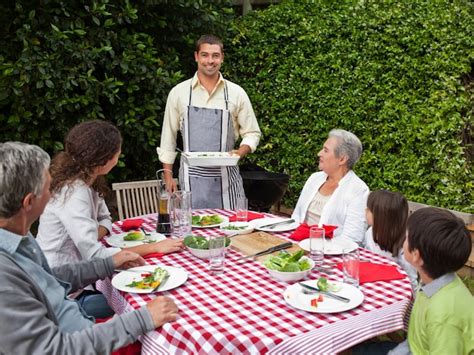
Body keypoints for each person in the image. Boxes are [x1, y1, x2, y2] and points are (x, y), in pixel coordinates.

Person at [0, 142, 178, 353]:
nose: (54, 193)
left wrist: (107, 264)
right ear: (29, 202)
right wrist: (141, 319)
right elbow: (53, 350)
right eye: (49, 188)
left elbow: (51, 278)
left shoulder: (17, 236)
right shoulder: (4, 276)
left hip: (82, 325)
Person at [36, 120, 183, 318]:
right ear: (104, 159)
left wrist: (91, 233)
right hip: (60, 296)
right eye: (117, 150)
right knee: (155, 303)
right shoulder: (74, 191)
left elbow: (105, 219)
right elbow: (96, 255)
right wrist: (155, 247)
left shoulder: (89, 180)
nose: (119, 154)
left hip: (80, 283)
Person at [157, 34, 261, 209]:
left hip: (228, 180)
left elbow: (252, 132)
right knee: (194, 232)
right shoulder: (179, 93)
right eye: (205, 55)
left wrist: (240, 152)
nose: (210, 61)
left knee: (233, 232)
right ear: (196, 56)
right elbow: (168, 137)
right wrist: (168, 176)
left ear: (222, 58)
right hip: (191, 180)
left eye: (215, 55)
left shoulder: (236, 93)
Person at [388, 208, 473, 354]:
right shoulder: (433, 281)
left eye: (407, 237)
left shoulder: (443, 318)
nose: (403, 239)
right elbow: (416, 340)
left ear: (416, 255)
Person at [291, 129, 369, 243]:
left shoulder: (358, 190)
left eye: (325, 150)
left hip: (330, 253)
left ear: (342, 159)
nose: (319, 153)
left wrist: (318, 247)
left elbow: (352, 238)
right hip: (298, 243)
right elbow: (296, 217)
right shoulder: (314, 178)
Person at [363, 190, 418, 289]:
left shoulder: (405, 246)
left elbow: (411, 282)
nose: (365, 210)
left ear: (381, 216)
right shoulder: (370, 232)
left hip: (395, 290)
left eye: (369, 209)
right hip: (372, 283)